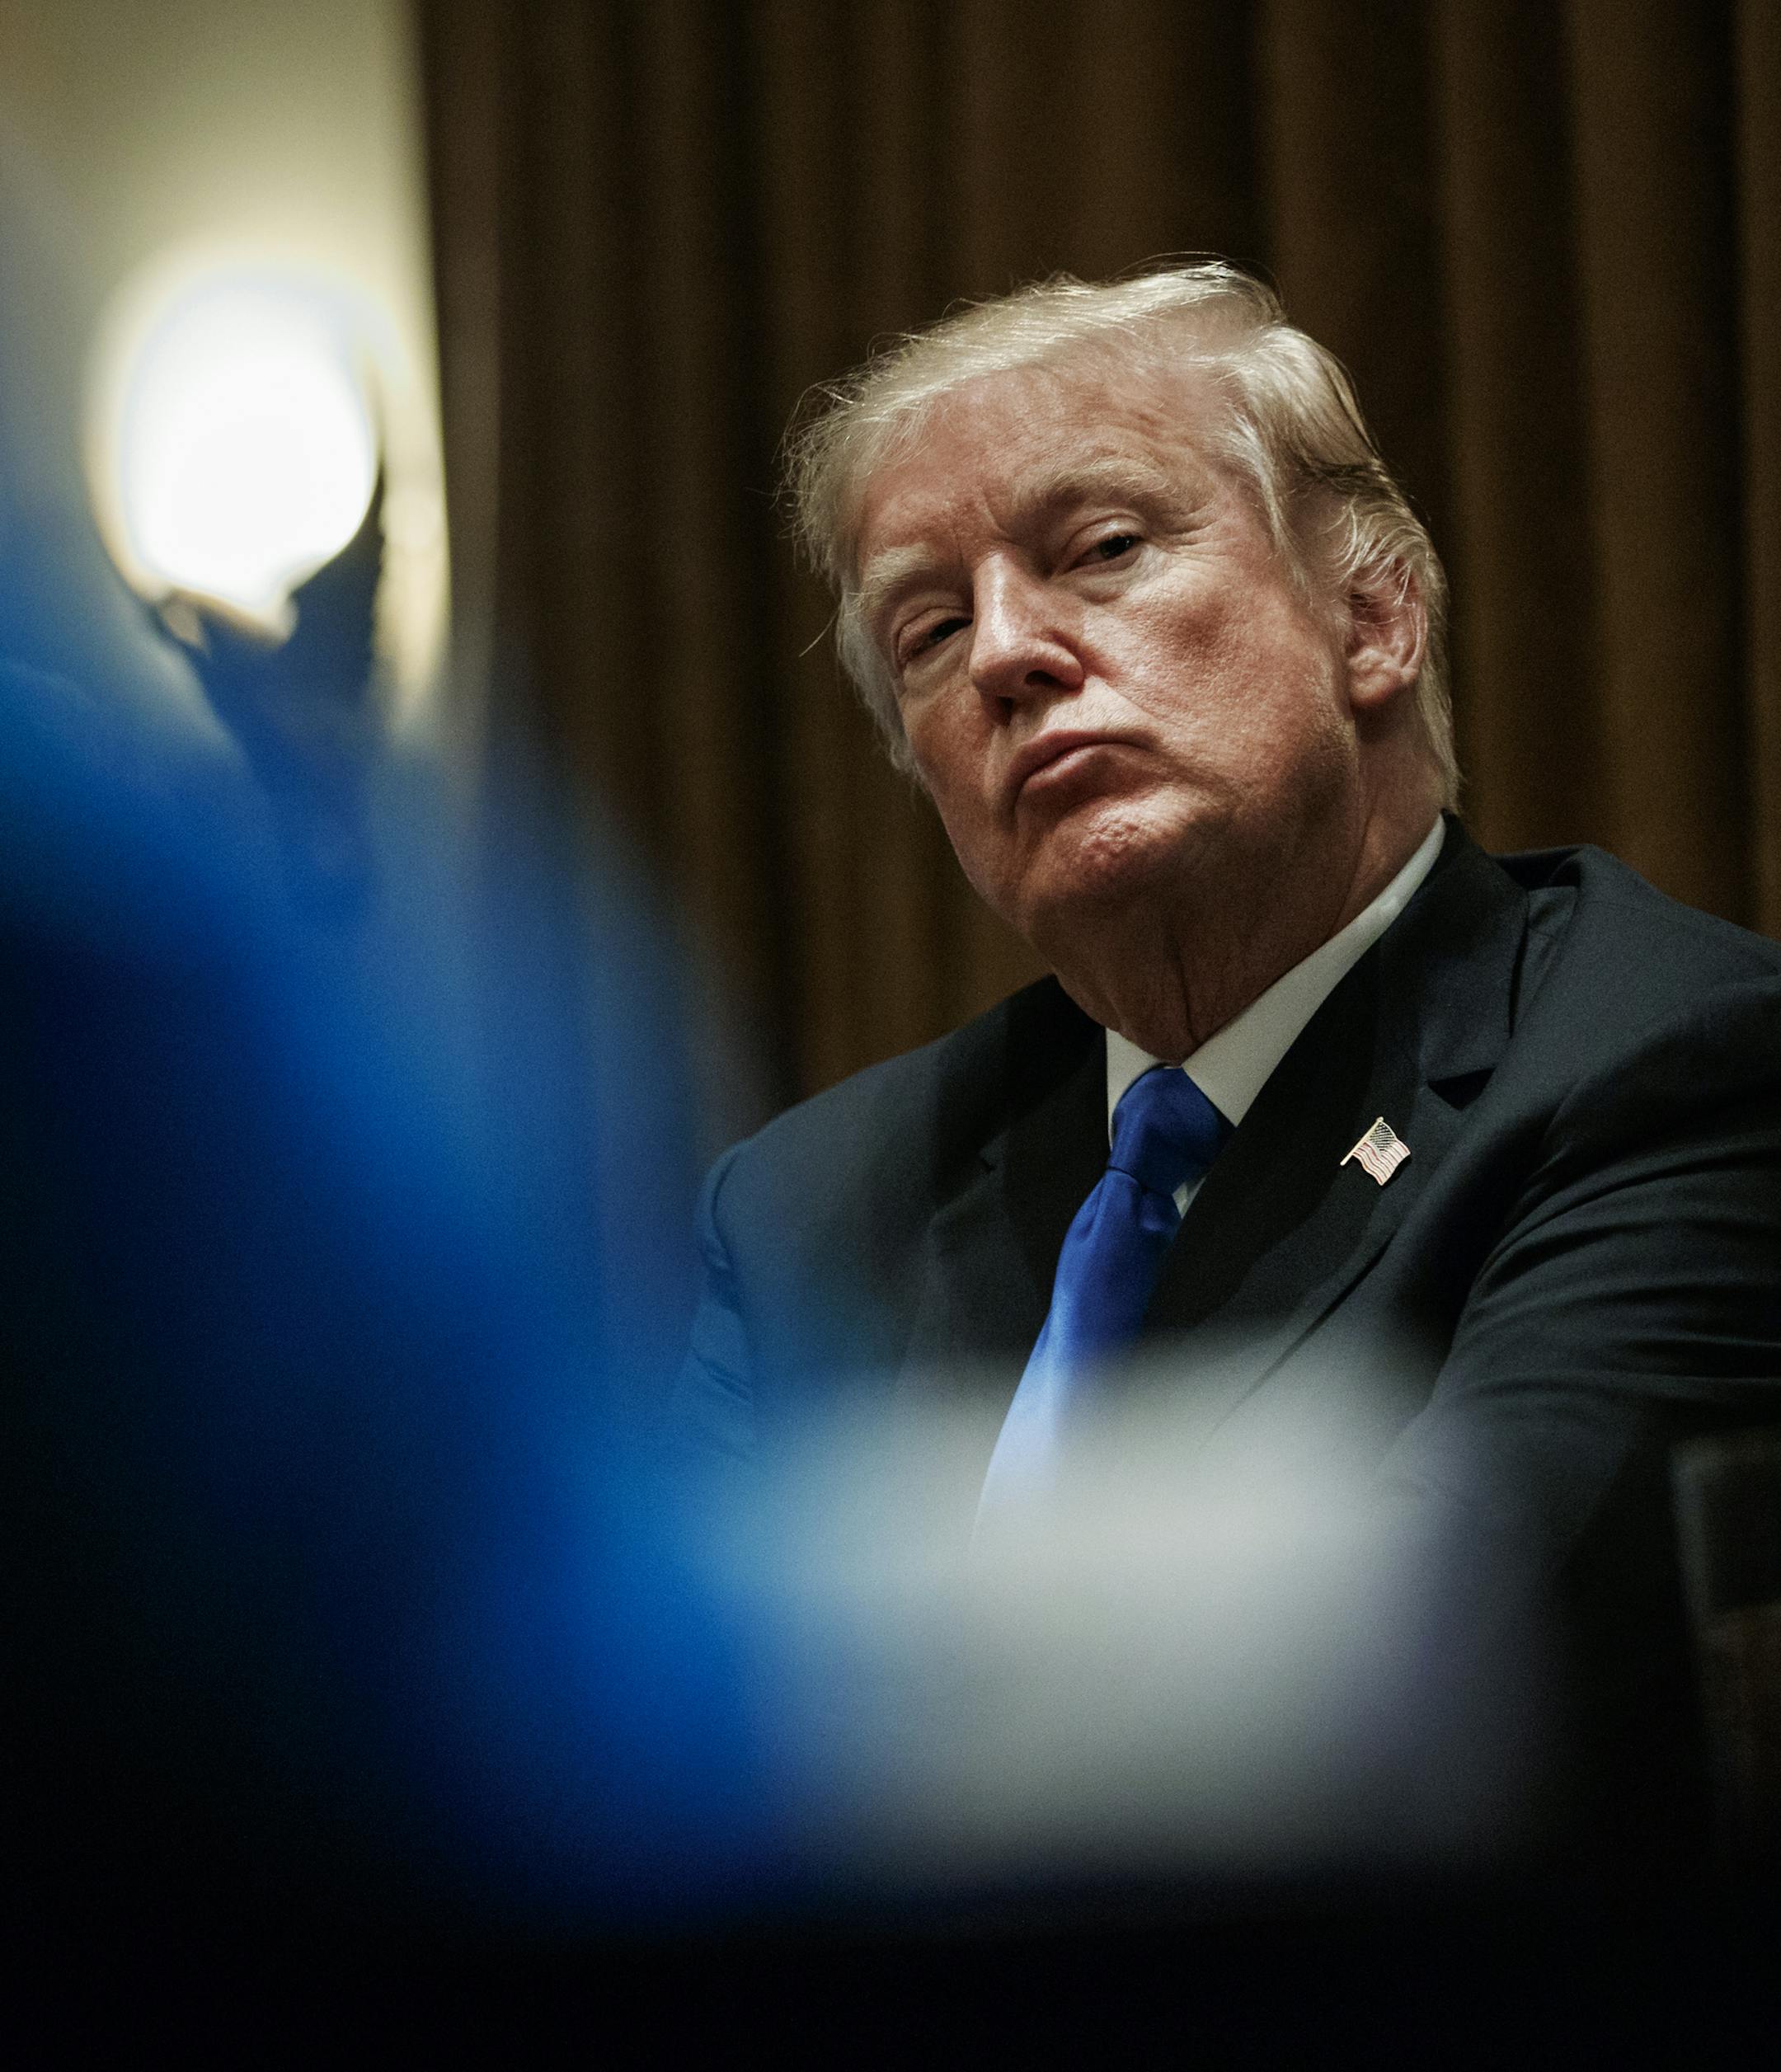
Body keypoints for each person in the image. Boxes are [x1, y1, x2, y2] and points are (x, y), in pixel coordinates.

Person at [674, 262, 1781, 1868]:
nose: (1002, 654)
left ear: (1371, 618)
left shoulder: (1664, 1065)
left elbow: (1415, 1667)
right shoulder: (802, 1210)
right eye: (926, 626)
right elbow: (607, 1756)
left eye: (1102, 550)